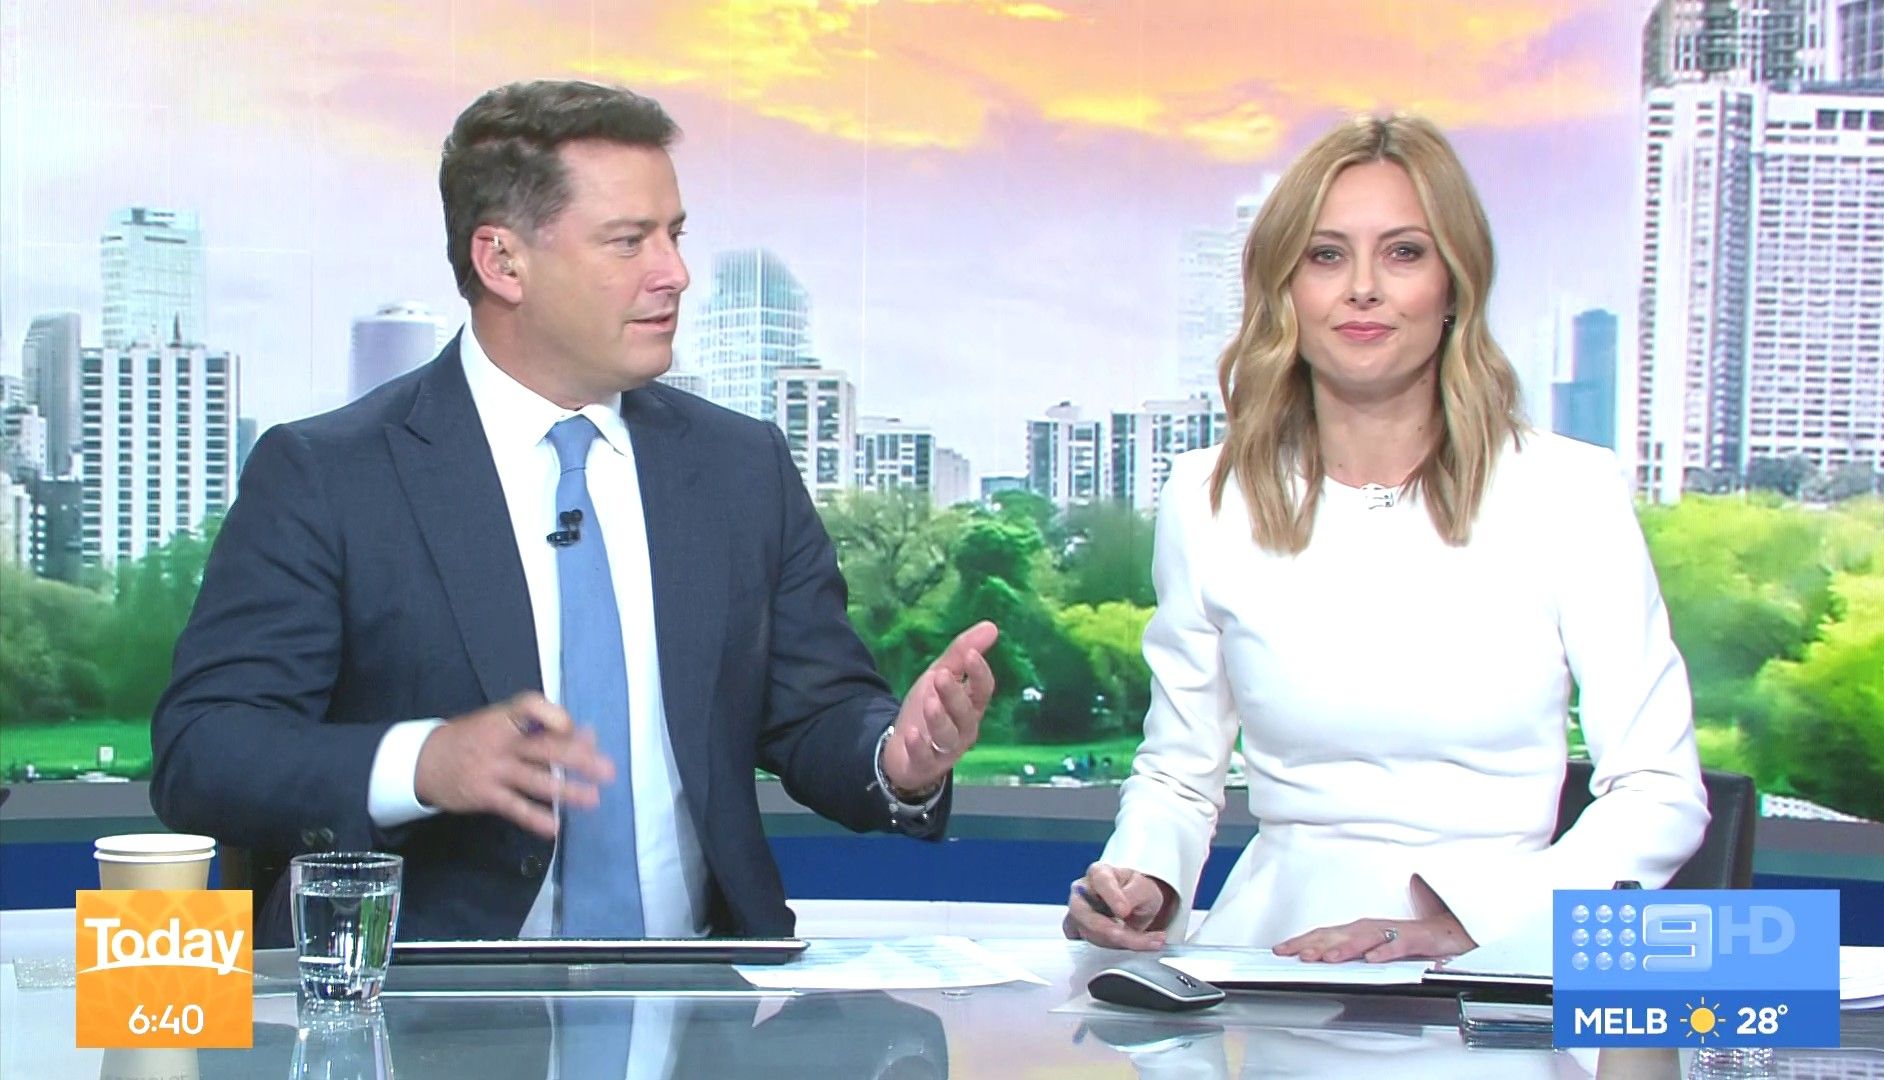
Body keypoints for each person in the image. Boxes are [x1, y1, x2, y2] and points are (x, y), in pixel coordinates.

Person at [150, 79, 997, 946]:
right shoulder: (331, 476)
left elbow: (817, 711)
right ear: (502, 261)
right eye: (629, 241)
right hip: (425, 994)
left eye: (674, 235)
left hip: (702, 991)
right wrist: (426, 760)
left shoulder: (741, 469)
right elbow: (203, 750)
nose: (674, 274)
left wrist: (896, 758)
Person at [1063, 114, 1707, 961]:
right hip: (1266, 959)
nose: (1362, 288)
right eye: (1326, 256)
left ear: (1455, 285)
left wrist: (1471, 925)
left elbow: (1659, 791)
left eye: (1403, 253)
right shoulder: (1208, 495)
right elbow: (1179, 773)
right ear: (1286, 290)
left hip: (1487, 963)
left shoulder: (1568, 492)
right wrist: (1145, 880)